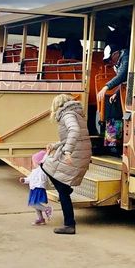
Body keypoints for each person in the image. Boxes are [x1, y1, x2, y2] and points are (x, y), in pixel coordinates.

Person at [41, 94, 92, 234]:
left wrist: (67, 151)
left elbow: (74, 131)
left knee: (45, 166)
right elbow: (70, 136)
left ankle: (69, 225)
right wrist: (55, 145)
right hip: (80, 151)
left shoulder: (67, 114)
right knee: (48, 167)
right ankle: (65, 190)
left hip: (75, 153)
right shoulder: (74, 113)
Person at [97, 45, 129, 152]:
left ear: (115, 54)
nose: (109, 62)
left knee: (114, 110)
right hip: (125, 90)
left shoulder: (126, 57)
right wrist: (116, 92)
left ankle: (113, 144)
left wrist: (106, 87)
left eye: (109, 59)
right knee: (112, 105)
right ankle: (113, 143)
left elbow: (123, 76)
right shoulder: (119, 61)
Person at [19, 149, 53, 225]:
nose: (33, 163)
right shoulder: (35, 171)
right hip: (34, 188)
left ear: (38, 162)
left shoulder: (42, 169)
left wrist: (47, 152)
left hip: (38, 187)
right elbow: (30, 178)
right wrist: (24, 180)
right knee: (36, 204)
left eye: (34, 161)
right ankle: (41, 219)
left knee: (33, 204)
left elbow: (44, 159)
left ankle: (47, 209)